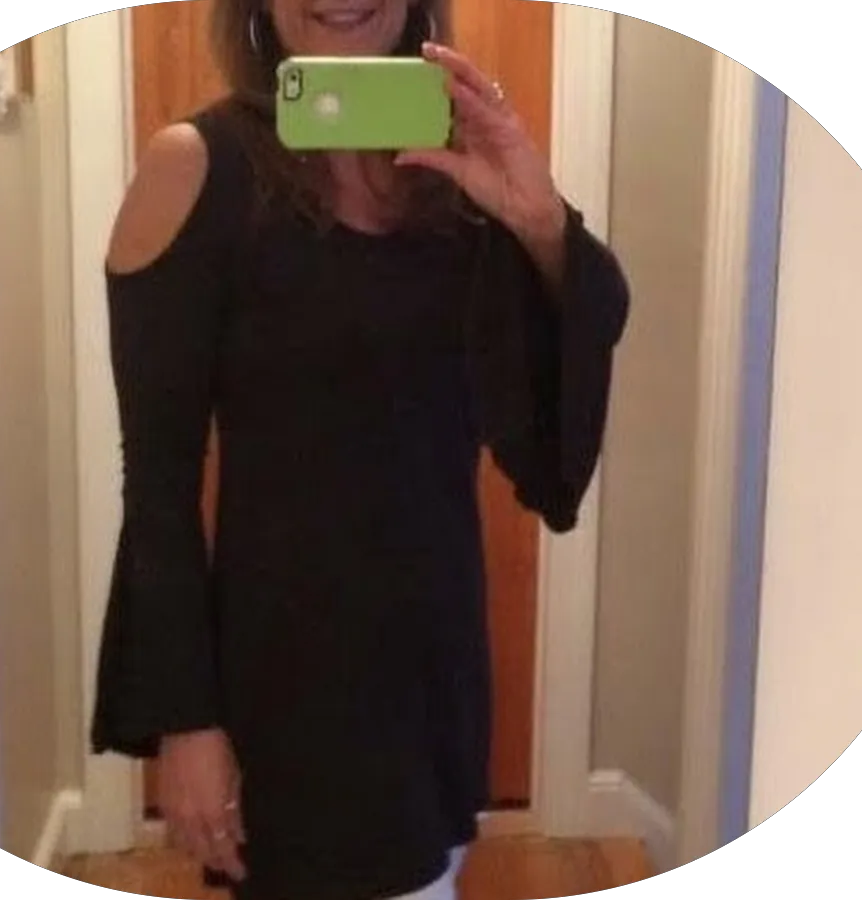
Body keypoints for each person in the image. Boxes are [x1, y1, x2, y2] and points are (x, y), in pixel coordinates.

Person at [91, 1, 630, 898]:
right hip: (288, 672)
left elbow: (567, 362)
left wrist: (538, 218)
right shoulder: (195, 167)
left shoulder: (450, 172)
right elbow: (157, 483)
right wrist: (187, 723)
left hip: (436, 659)